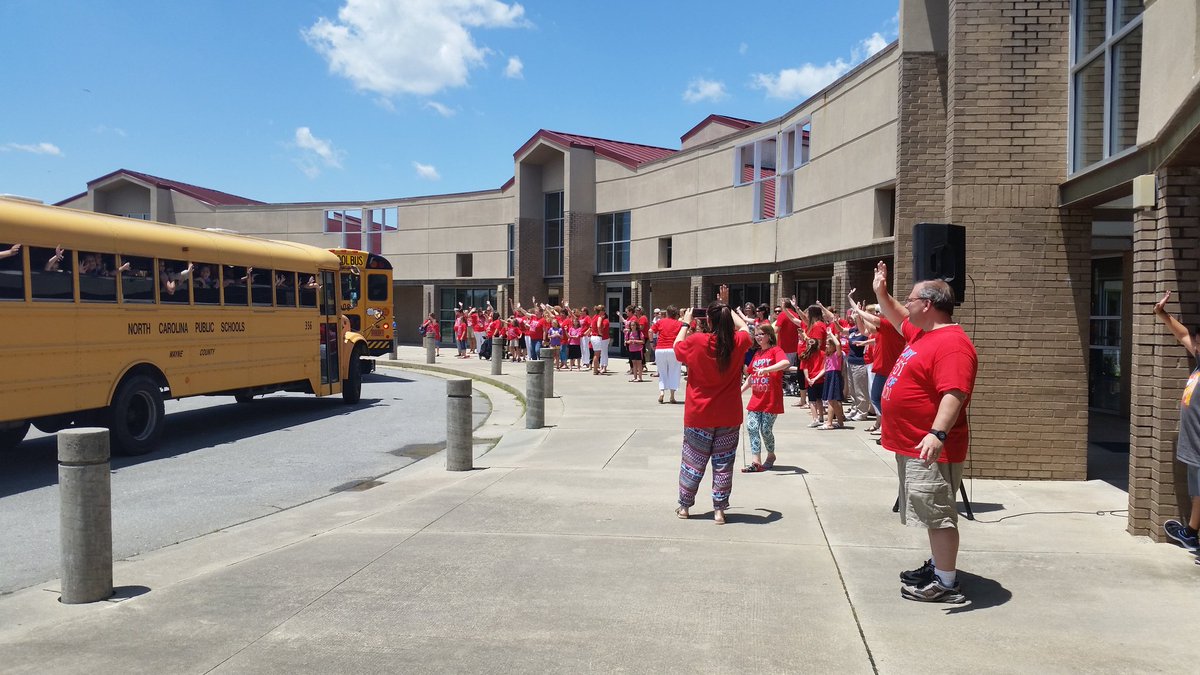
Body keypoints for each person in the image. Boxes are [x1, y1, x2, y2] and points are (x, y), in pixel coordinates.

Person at [872, 260, 978, 603]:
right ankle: (938, 566)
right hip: (913, 444)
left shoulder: (953, 344)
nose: (908, 303)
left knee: (938, 513)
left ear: (928, 305)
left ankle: (946, 584)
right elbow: (898, 315)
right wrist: (881, 292)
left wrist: (937, 433)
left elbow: (954, 393)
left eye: (912, 298)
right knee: (928, 510)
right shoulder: (924, 333)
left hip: (931, 447)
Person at [673, 286, 753, 524]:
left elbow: (677, 348)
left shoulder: (696, 341)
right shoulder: (738, 342)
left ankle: (685, 506)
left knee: (692, 462)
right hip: (728, 414)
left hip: (699, 414)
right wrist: (726, 306)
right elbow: (745, 328)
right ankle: (719, 510)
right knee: (723, 464)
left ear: (707, 319)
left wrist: (685, 323)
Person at [1153, 290, 1200, 559]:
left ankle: (1191, 535)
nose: (1194, 344)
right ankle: (1191, 534)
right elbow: (1182, 335)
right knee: (1197, 492)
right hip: (1194, 446)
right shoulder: (1198, 360)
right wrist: (1162, 314)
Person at [740, 323, 789, 472]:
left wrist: (767, 369)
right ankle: (756, 462)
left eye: (762, 334)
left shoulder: (775, 350)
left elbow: (785, 363)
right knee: (752, 427)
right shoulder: (757, 354)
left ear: (769, 335)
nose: (759, 337)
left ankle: (771, 455)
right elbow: (751, 376)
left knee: (766, 430)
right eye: (756, 334)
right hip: (756, 398)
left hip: (771, 399)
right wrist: (739, 391)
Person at [652, 305, 684, 404]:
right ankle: (672, 396)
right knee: (674, 371)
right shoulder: (679, 323)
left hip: (660, 349)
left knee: (662, 371)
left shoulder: (660, 322)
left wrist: (651, 342)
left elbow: (650, 331)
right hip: (673, 349)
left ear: (667, 313)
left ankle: (662, 392)